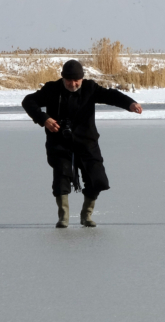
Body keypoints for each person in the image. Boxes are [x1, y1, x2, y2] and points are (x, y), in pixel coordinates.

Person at [22, 59, 143, 228]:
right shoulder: (52, 89)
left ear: (82, 78)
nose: (73, 83)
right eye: (69, 80)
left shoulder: (89, 88)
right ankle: (63, 217)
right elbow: (28, 101)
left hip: (87, 142)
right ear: (63, 78)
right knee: (62, 178)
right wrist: (44, 119)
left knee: (98, 179)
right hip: (60, 143)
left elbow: (111, 95)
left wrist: (129, 103)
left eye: (76, 80)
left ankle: (86, 215)